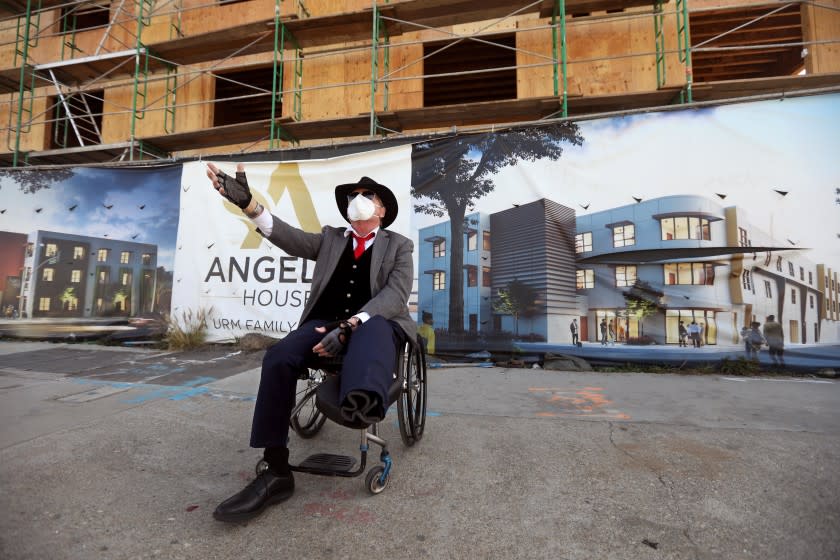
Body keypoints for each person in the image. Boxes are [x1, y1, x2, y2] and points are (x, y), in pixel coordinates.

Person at [205, 163, 415, 523]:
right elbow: (288, 237)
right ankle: (276, 470)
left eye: (368, 196)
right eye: (354, 195)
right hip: (323, 323)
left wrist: (351, 325)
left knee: (374, 330)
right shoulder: (332, 238)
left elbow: (395, 295)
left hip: (372, 324)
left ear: (382, 210)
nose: (358, 200)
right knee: (279, 356)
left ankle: (357, 401)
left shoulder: (398, 245)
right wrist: (249, 206)